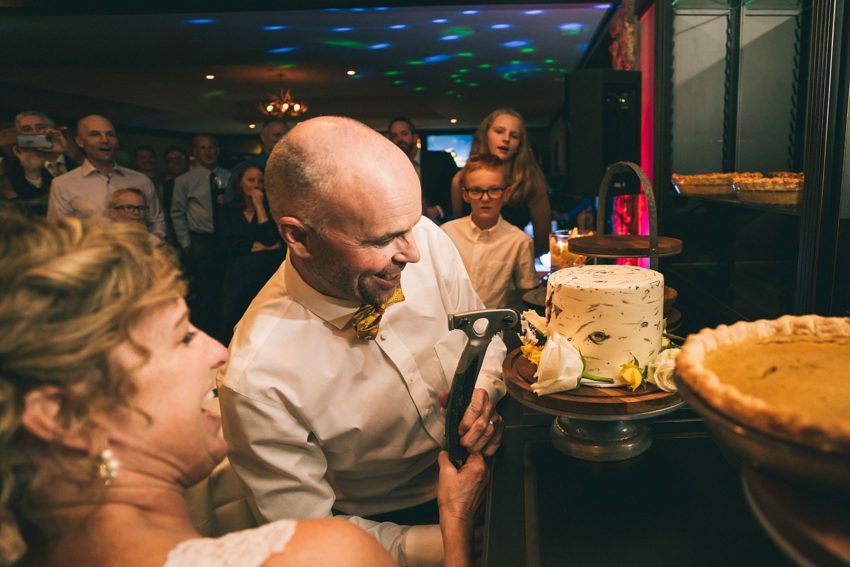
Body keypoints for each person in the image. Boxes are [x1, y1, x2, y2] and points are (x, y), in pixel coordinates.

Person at [0, 212, 487, 567]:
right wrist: (457, 527)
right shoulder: (327, 553)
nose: (218, 352)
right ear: (59, 415)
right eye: (181, 337)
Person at [219, 116, 506, 565]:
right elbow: (310, 539)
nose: (414, 253)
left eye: (411, 224)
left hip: (497, 471)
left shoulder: (425, 239)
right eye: (382, 238)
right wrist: (450, 539)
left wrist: (485, 390)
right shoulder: (256, 377)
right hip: (385, 532)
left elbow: (488, 339)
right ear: (298, 236)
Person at [442, 154, 538, 310]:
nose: (485, 198)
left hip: (493, 323)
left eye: (494, 190)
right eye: (476, 190)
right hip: (450, 321)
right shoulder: (448, 233)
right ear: (465, 195)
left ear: (506, 194)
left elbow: (526, 294)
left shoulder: (519, 241)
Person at [47, 114, 166, 239]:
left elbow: (157, 222)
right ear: (80, 142)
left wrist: (152, 242)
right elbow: (59, 233)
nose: (105, 140)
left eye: (110, 134)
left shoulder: (141, 180)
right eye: (95, 134)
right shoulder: (63, 184)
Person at [450, 108, 551, 255]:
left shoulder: (530, 181)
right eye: (499, 131)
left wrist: (517, 258)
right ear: (486, 135)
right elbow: (458, 232)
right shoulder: (460, 180)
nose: (506, 139)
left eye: (514, 135)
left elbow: (543, 242)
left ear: (520, 144)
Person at [217, 162, 285, 344]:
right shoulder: (227, 210)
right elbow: (227, 244)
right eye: (251, 180)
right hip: (237, 274)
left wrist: (259, 207)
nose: (256, 185)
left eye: (260, 181)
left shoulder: (271, 209)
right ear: (240, 183)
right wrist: (260, 246)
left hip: (264, 274)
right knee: (233, 318)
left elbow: (272, 240)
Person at [170, 134, 231, 336]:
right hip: (201, 240)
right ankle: (203, 332)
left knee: (225, 289)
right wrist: (186, 243)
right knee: (205, 291)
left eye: (212, 147)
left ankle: (224, 332)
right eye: (203, 148)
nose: (208, 152)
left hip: (227, 240)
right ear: (195, 152)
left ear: (218, 151)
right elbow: (177, 212)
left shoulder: (230, 176)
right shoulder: (184, 180)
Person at [388, 117, 458, 224]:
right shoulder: (390, 167)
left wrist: (439, 210)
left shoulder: (441, 160)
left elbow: (458, 192)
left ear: (415, 137)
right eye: (394, 136)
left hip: (441, 223)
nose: (399, 139)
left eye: (404, 134)